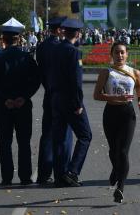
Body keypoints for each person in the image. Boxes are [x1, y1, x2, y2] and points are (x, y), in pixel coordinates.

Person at [0, 25, 40, 185]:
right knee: (24, 141)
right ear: (19, 40)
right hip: (23, 105)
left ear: (3, 40)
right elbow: (36, 80)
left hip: (4, 106)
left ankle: (7, 176)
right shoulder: (27, 58)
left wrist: (5, 99)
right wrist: (24, 97)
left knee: (5, 142)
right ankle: (25, 176)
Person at [93, 41, 140, 203]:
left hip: (127, 114)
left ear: (127, 54)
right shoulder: (106, 72)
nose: (120, 55)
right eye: (116, 52)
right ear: (112, 55)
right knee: (113, 150)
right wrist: (115, 97)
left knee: (123, 151)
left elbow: (139, 86)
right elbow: (97, 95)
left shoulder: (134, 72)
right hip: (110, 113)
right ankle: (116, 169)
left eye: (122, 52)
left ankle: (120, 188)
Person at [51, 19, 92, 187]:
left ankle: (60, 176)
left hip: (56, 98)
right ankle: (73, 171)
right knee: (85, 135)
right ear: (77, 33)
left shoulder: (55, 49)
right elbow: (76, 81)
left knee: (60, 138)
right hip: (70, 100)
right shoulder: (74, 52)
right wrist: (78, 103)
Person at [36, 17, 73, 185]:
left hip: (49, 93)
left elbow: (41, 71)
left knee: (48, 135)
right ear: (59, 30)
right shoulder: (62, 47)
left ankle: (44, 173)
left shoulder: (42, 46)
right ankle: (62, 172)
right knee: (64, 135)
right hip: (63, 95)